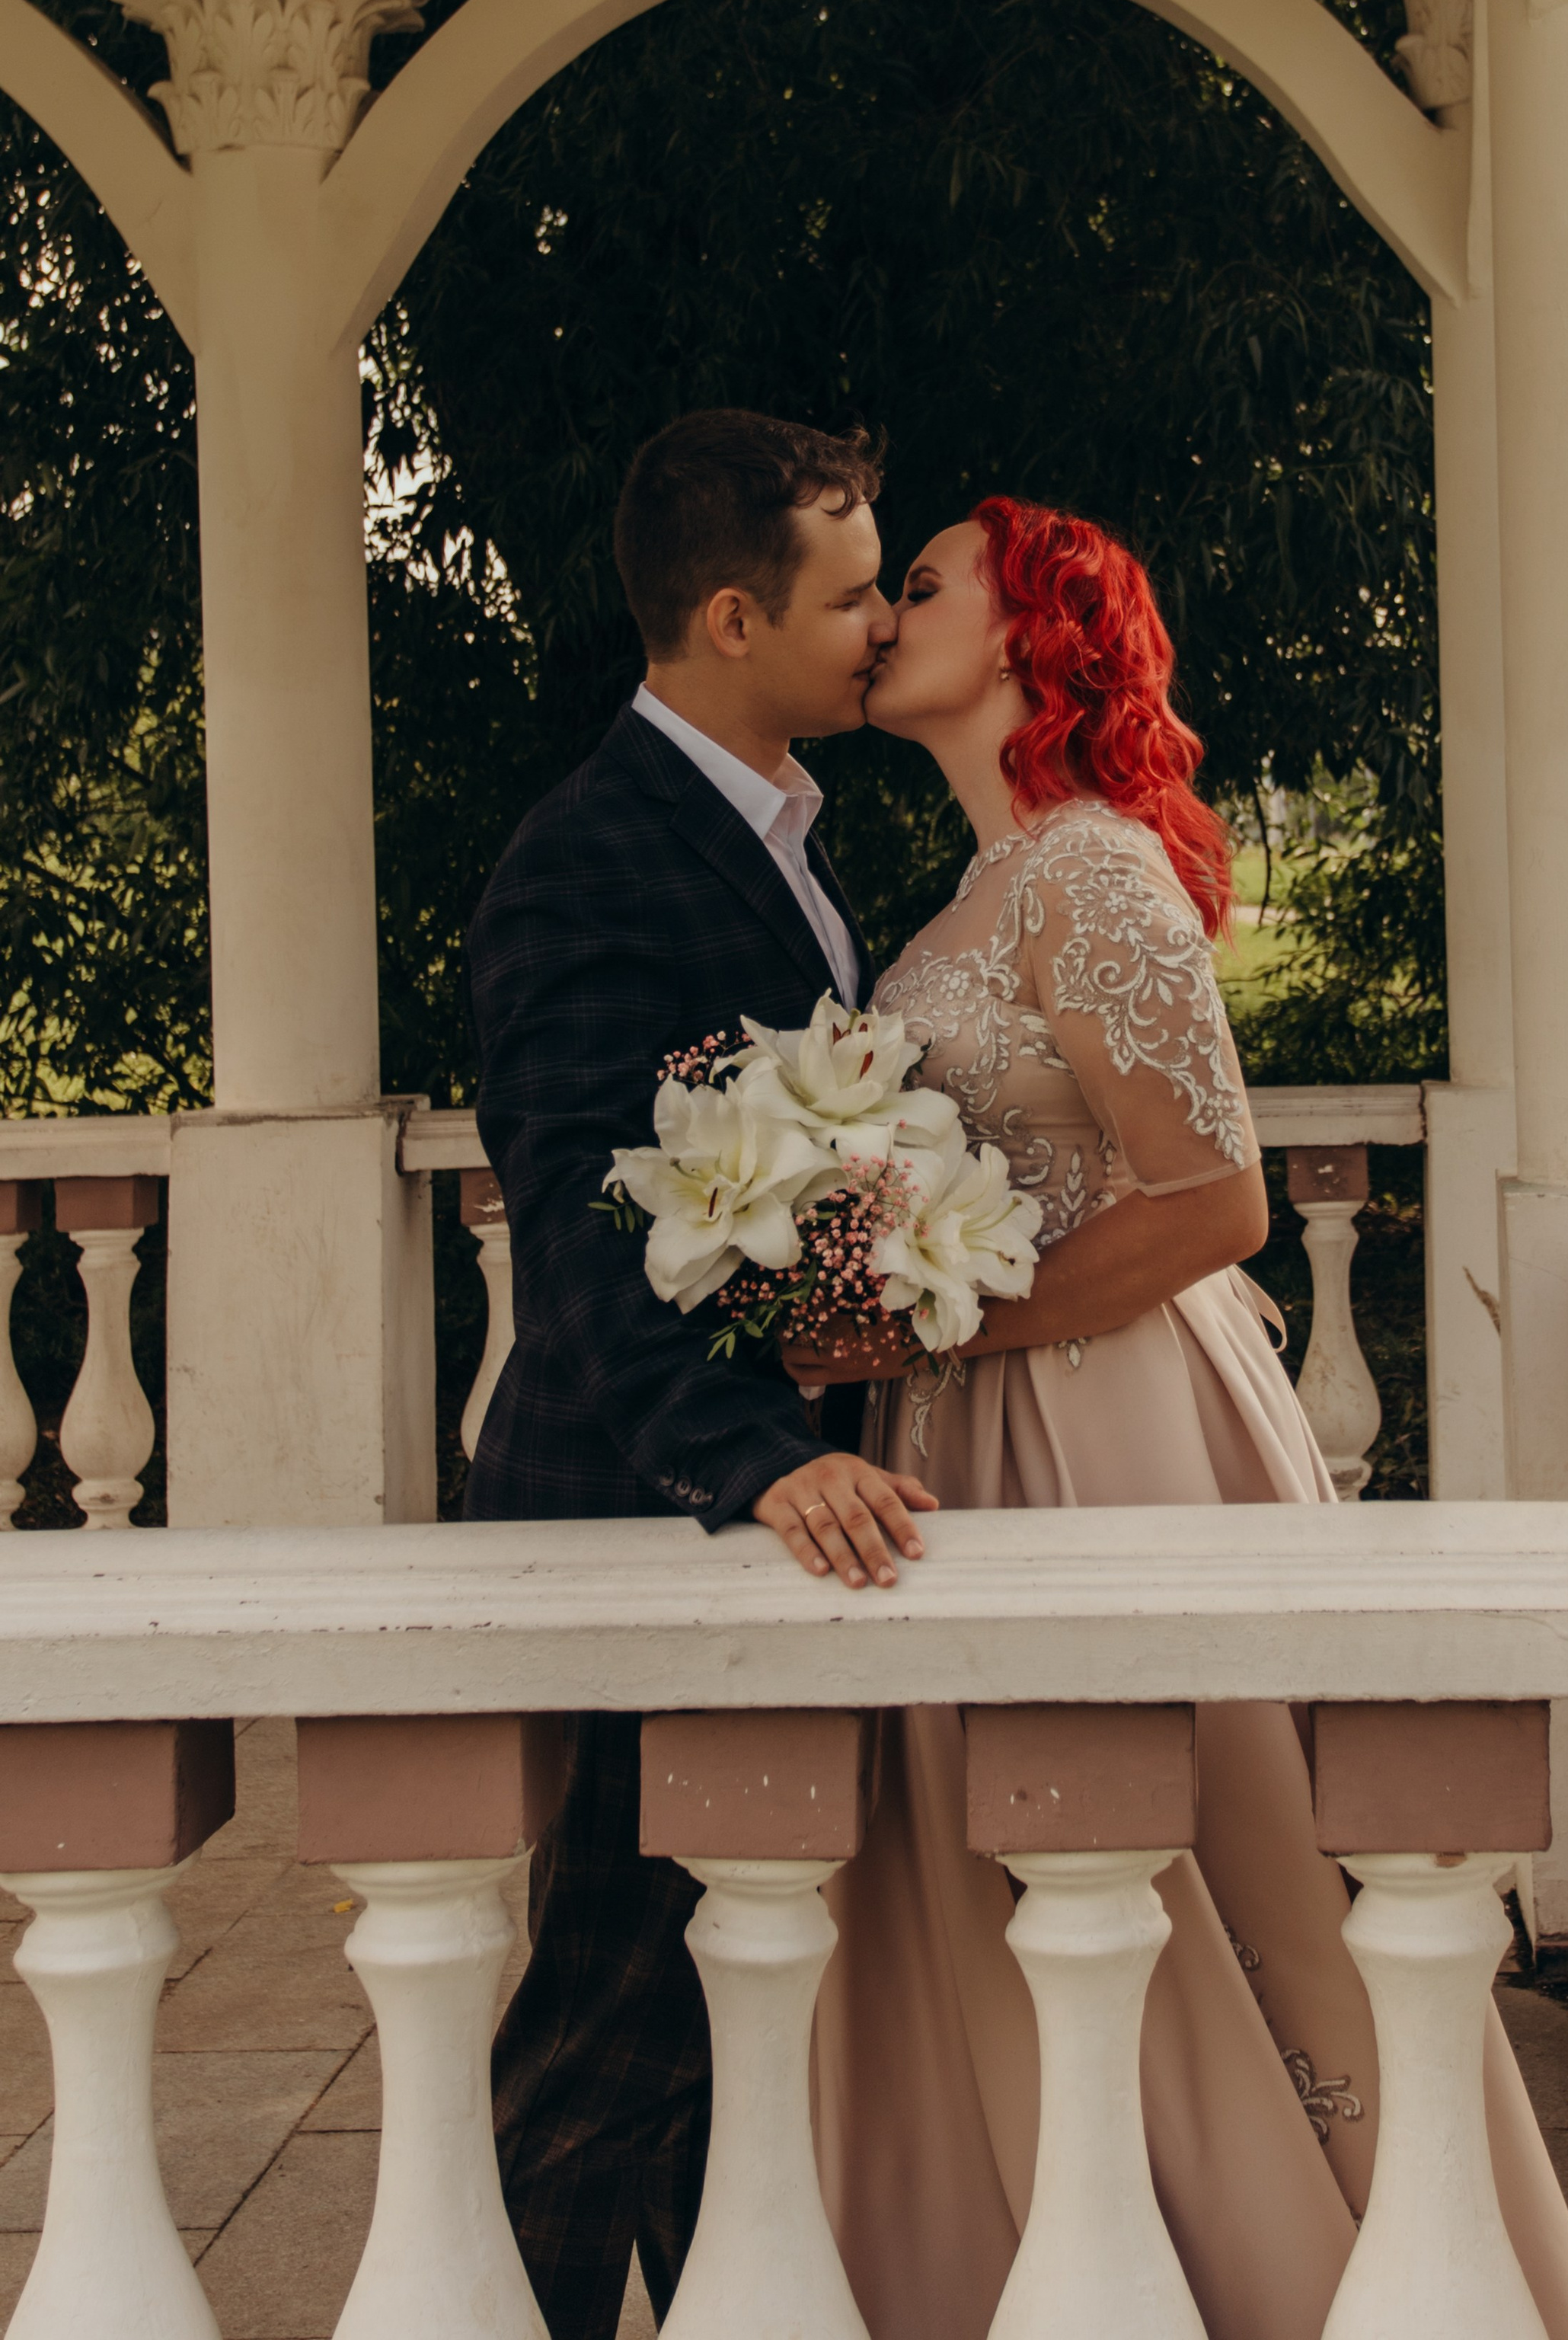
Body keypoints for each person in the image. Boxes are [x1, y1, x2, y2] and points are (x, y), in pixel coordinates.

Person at [772, 498, 1568, 2340]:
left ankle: (1295, 2264)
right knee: (1017, 1871)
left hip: (1108, 1422)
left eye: (922, 582)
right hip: (980, 1433)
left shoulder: (1085, 868)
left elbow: (1217, 1203)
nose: (881, 610)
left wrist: (937, 1323)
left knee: (1188, 1852)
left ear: (1027, 632)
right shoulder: (972, 890)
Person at [464, 408, 935, 2340]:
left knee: (699, 2016)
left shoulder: (781, 837)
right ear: (733, 617)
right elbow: (579, 1209)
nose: (881, 629)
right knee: (607, 2022)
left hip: (746, 1499)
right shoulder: (589, 859)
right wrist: (749, 1461)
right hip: (638, 1506)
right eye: (849, 596)